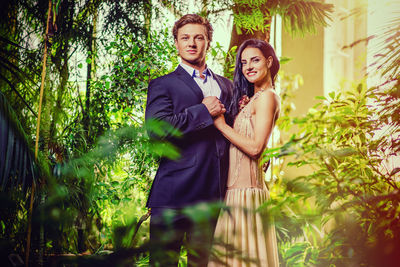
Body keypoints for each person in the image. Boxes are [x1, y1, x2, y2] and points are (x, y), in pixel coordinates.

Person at [145, 14, 233, 267]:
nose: (192, 43)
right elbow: (157, 130)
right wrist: (203, 111)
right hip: (173, 194)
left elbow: (233, 133)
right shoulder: (163, 84)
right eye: (185, 38)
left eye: (199, 37)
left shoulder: (227, 86)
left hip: (212, 197)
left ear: (208, 42)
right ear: (176, 43)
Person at [208, 39, 280, 267]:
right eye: (243, 62)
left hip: (247, 197)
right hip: (235, 194)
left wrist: (221, 125)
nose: (248, 66)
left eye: (255, 60)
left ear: (269, 61)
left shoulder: (268, 96)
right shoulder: (253, 99)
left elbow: (256, 148)